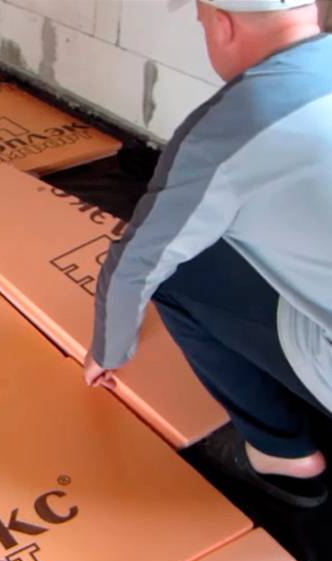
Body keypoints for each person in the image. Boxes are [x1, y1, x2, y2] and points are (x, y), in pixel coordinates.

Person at [83, 0, 332, 507]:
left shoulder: (233, 124)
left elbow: (139, 261)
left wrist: (107, 350)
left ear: (222, 24)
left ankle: (282, 452)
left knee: (181, 269)